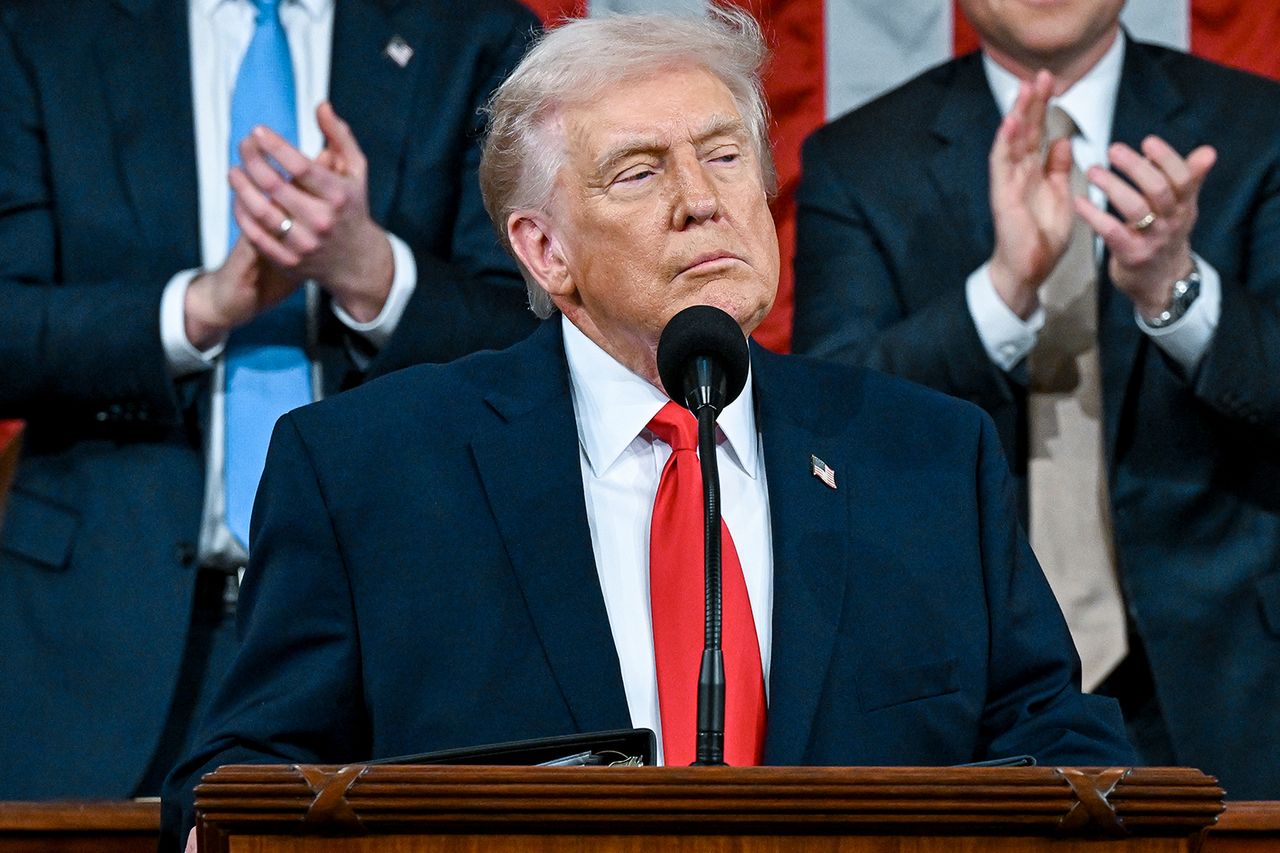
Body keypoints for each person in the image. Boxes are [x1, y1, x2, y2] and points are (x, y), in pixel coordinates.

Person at [161, 6, 1134, 849]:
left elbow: (1056, 744)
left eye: (722, 156)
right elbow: (245, 774)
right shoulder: (368, 467)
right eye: (636, 172)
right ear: (543, 251)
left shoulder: (923, 454)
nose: (699, 200)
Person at [0, 0, 541, 799]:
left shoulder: (474, 32)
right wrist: (200, 308)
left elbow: (540, 334)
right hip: (89, 640)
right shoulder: (44, 30)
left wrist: (372, 272)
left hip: (394, 628)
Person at [791, 0, 1280, 798]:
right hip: (979, 684)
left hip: (1234, 678)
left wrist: (1174, 291)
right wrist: (1003, 294)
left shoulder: (1256, 127)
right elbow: (829, 431)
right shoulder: (859, 158)